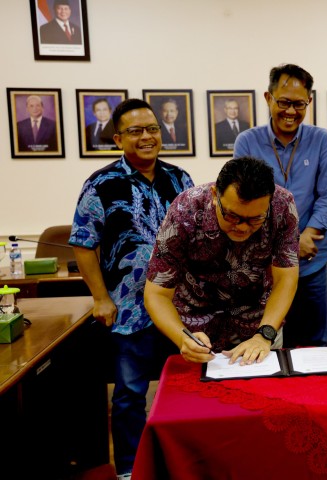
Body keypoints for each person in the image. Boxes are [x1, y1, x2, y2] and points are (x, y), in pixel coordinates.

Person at [69, 98, 194, 480]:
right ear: (118, 138)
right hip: (129, 308)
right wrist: (100, 298)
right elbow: (83, 241)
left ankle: (184, 463)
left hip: (181, 306)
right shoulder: (101, 184)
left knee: (187, 387)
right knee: (128, 395)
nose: (147, 137)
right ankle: (130, 470)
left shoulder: (181, 179)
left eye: (152, 129)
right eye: (136, 131)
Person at [144, 157, 299, 365]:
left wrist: (264, 335)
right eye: (233, 216)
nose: (243, 227)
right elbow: (157, 294)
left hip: (259, 322)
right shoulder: (185, 210)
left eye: (255, 219)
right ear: (215, 194)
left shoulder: (283, 206)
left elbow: (285, 280)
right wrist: (182, 337)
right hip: (195, 329)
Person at [234, 63, 327, 348]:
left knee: (315, 341)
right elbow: (243, 201)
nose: (290, 111)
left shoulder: (322, 140)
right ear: (268, 98)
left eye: (299, 104)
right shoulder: (247, 142)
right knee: (265, 340)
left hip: (311, 260)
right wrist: (290, 244)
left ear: (309, 102)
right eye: (283, 102)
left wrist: (307, 236)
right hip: (262, 263)